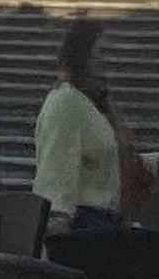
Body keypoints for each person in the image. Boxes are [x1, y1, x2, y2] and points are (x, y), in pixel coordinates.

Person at [34, 16, 145, 234]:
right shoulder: (67, 102)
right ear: (83, 56)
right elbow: (56, 168)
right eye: (100, 52)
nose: (108, 60)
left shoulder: (95, 103)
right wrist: (57, 227)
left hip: (107, 219)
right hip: (83, 223)